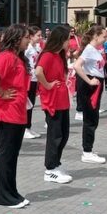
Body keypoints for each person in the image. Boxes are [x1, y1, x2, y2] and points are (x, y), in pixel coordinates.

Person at [0, 25, 31, 208]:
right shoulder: (6, 56)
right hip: (7, 112)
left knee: (12, 155)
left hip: (17, 111)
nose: (28, 41)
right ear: (17, 38)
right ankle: (3, 196)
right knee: (7, 154)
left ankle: (11, 191)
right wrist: (1, 93)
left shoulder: (18, 57)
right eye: (26, 37)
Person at [36, 26, 73, 184]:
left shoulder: (59, 55)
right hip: (52, 100)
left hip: (62, 100)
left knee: (64, 134)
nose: (69, 42)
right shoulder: (48, 55)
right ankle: (50, 168)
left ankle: (56, 163)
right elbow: (38, 72)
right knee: (55, 135)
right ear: (61, 40)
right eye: (67, 39)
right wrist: (48, 85)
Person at [73, 26, 107, 165]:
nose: (105, 39)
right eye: (104, 36)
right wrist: (89, 81)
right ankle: (87, 152)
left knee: (93, 118)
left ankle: (88, 149)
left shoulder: (94, 50)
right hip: (90, 87)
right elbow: (77, 66)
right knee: (90, 119)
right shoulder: (89, 49)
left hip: (96, 86)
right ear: (96, 36)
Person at [23, 27, 43, 139]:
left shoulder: (37, 47)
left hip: (35, 78)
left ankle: (28, 127)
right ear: (31, 36)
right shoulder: (28, 48)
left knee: (32, 104)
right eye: (38, 35)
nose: (40, 37)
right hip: (29, 78)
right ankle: (25, 128)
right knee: (28, 104)